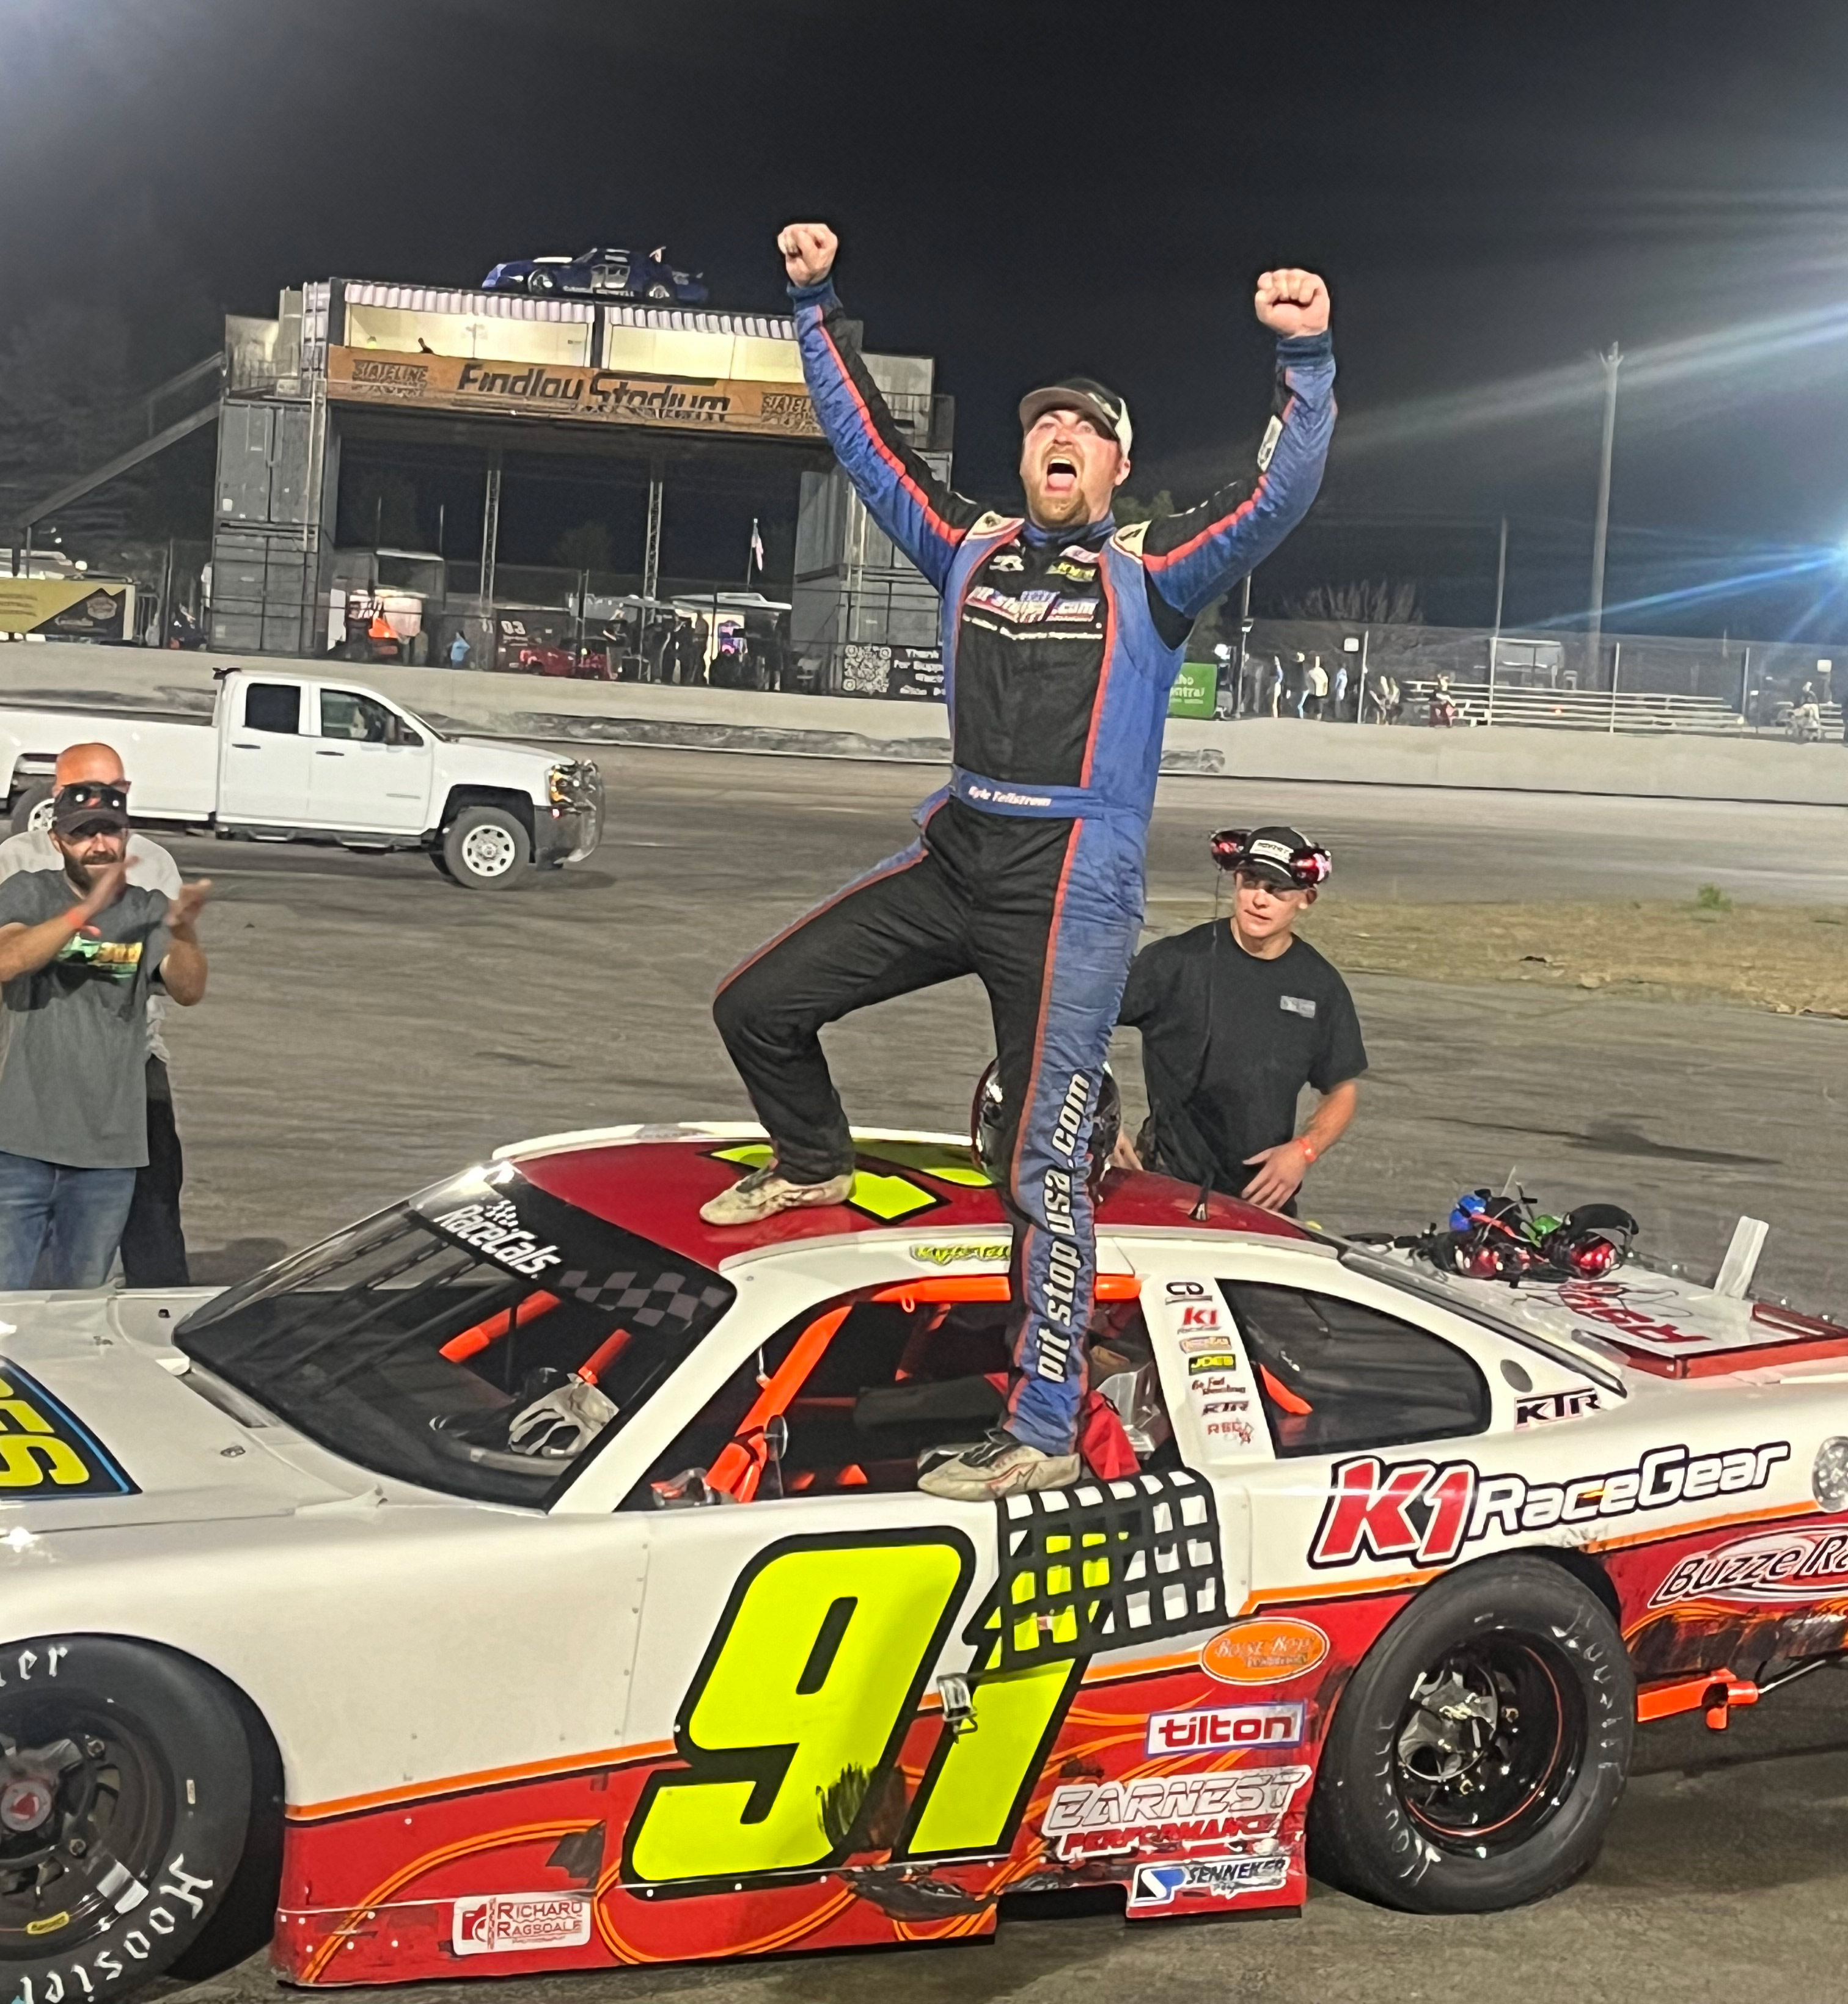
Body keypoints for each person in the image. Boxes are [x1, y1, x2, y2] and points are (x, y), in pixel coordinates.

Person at [705, 219, 1335, 1501]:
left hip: (1073, 886)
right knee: (756, 1003)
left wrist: (1307, 356)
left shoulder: (1154, 571)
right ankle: (812, 1157)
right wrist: (815, 300)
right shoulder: (970, 544)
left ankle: (1044, 1423)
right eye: (1045, 423)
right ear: (1025, 452)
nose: (1061, 437)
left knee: (1043, 1157)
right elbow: (869, 446)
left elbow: (1282, 492)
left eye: (1088, 429)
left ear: (1118, 463)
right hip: (958, 850)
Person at [0, 780, 210, 1289]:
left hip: (109, 1155)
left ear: (126, 836)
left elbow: (189, 989)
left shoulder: (146, 908)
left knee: (77, 1308)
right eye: (82, 833)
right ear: (57, 841)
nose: (98, 844)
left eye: (109, 832)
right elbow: (10, 960)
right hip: (20, 1143)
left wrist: (183, 931)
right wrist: (83, 912)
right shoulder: (26, 891)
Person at [1116, 825, 1365, 1215]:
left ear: (1306, 899)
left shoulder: (1320, 986)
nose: (1259, 899)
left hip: (1261, 1202)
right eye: (1251, 882)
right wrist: (1099, 1121)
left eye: (1276, 889)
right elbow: (1076, 1024)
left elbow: (1342, 1091)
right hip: (1165, 1188)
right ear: (1235, 880)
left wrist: (1304, 1150)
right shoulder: (1176, 963)